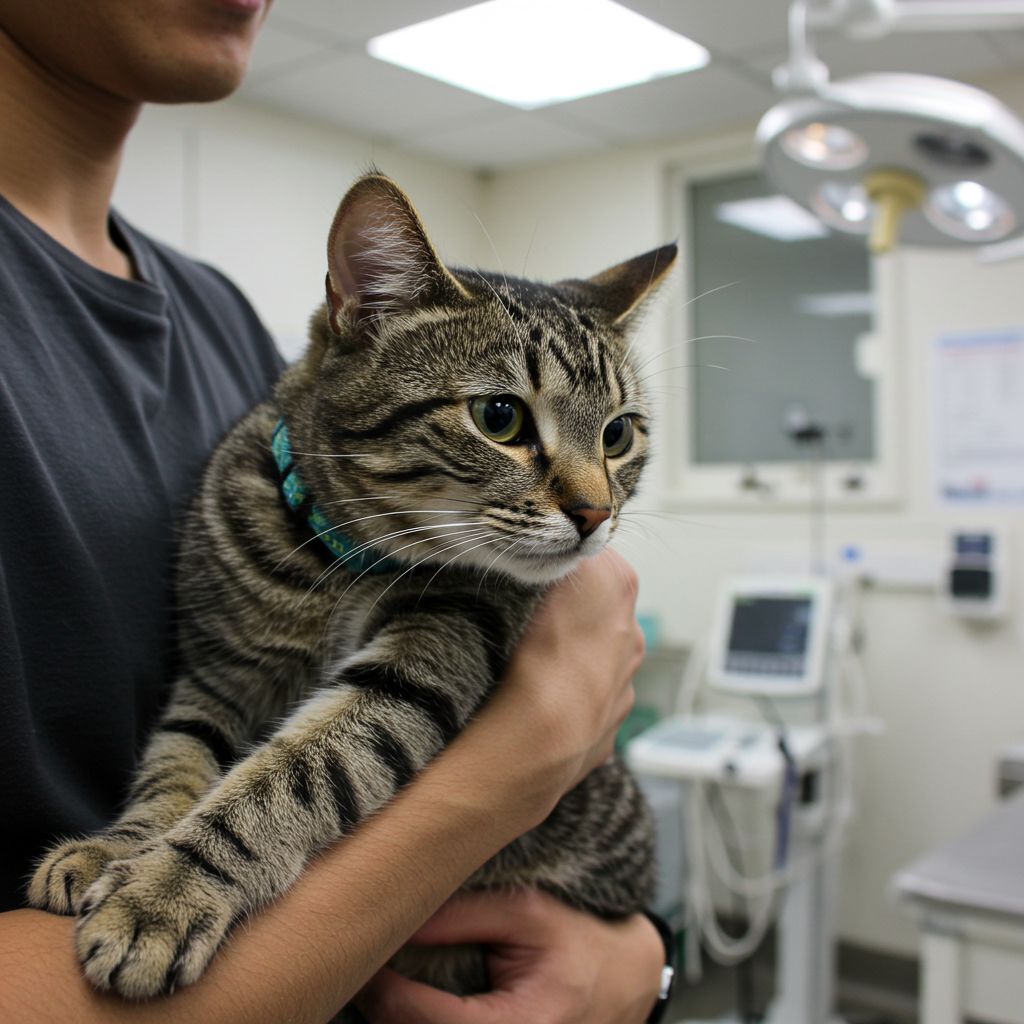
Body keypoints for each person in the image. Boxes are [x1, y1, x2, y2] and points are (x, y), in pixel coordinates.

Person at [0, 2, 668, 1022]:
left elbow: (218, 707)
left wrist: (639, 975)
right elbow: (230, 702)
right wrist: (530, 746)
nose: (588, 500)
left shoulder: (213, 312)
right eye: (503, 417)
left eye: (613, 441)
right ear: (364, 310)